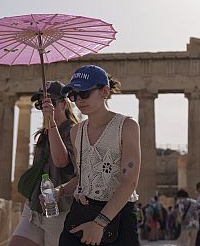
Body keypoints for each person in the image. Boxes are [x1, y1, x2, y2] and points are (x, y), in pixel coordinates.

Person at [57, 65, 141, 246]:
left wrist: (100, 223)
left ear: (104, 91)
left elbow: (130, 181)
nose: (79, 100)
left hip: (118, 216)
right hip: (82, 212)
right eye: (74, 95)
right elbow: (83, 176)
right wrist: (60, 191)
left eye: (85, 93)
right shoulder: (76, 131)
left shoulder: (126, 126)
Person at [9, 81, 78, 246]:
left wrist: (52, 124)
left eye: (50, 103)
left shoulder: (74, 130)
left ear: (63, 104)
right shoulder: (43, 134)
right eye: (41, 104)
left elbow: (62, 163)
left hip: (60, 210)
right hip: (34, 209)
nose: (45, 107)